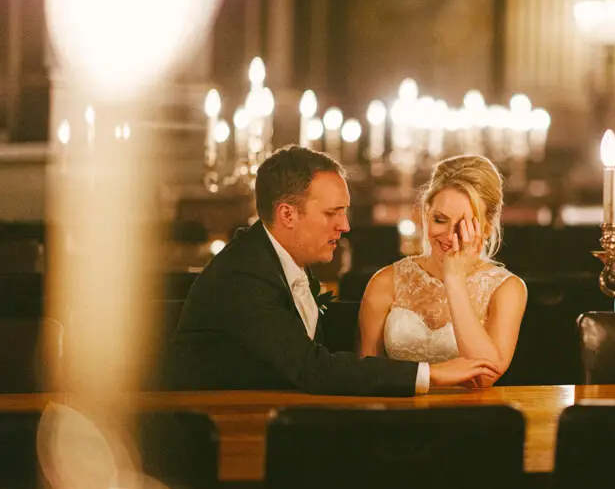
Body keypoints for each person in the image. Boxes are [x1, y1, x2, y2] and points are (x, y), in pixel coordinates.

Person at [163, 146, 500, 395]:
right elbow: (312, 368)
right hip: (214, 436)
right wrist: (433, 373)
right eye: (332, 213)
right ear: (287, 215)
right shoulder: (243, 275)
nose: (345, 225)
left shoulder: (284, 263)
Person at [359, 155, 527, 387]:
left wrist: (454, 279)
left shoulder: (508, 289)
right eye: (440, 220)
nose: (449, 236)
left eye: (463, 225)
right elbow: (365, 376)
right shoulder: (385, 281)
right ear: (426, 214)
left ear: (487, 227)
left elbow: (485, 376)